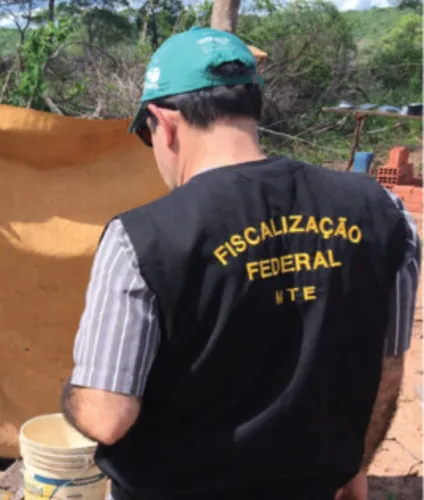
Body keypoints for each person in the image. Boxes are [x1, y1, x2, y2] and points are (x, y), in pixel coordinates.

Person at [60, 27, 420, 500]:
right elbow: (387, 369)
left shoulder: (140, 239)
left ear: (163, 123)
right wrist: (354, 464)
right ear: (252, 109)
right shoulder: (385, 214)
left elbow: (108, 417)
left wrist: (73, 396)